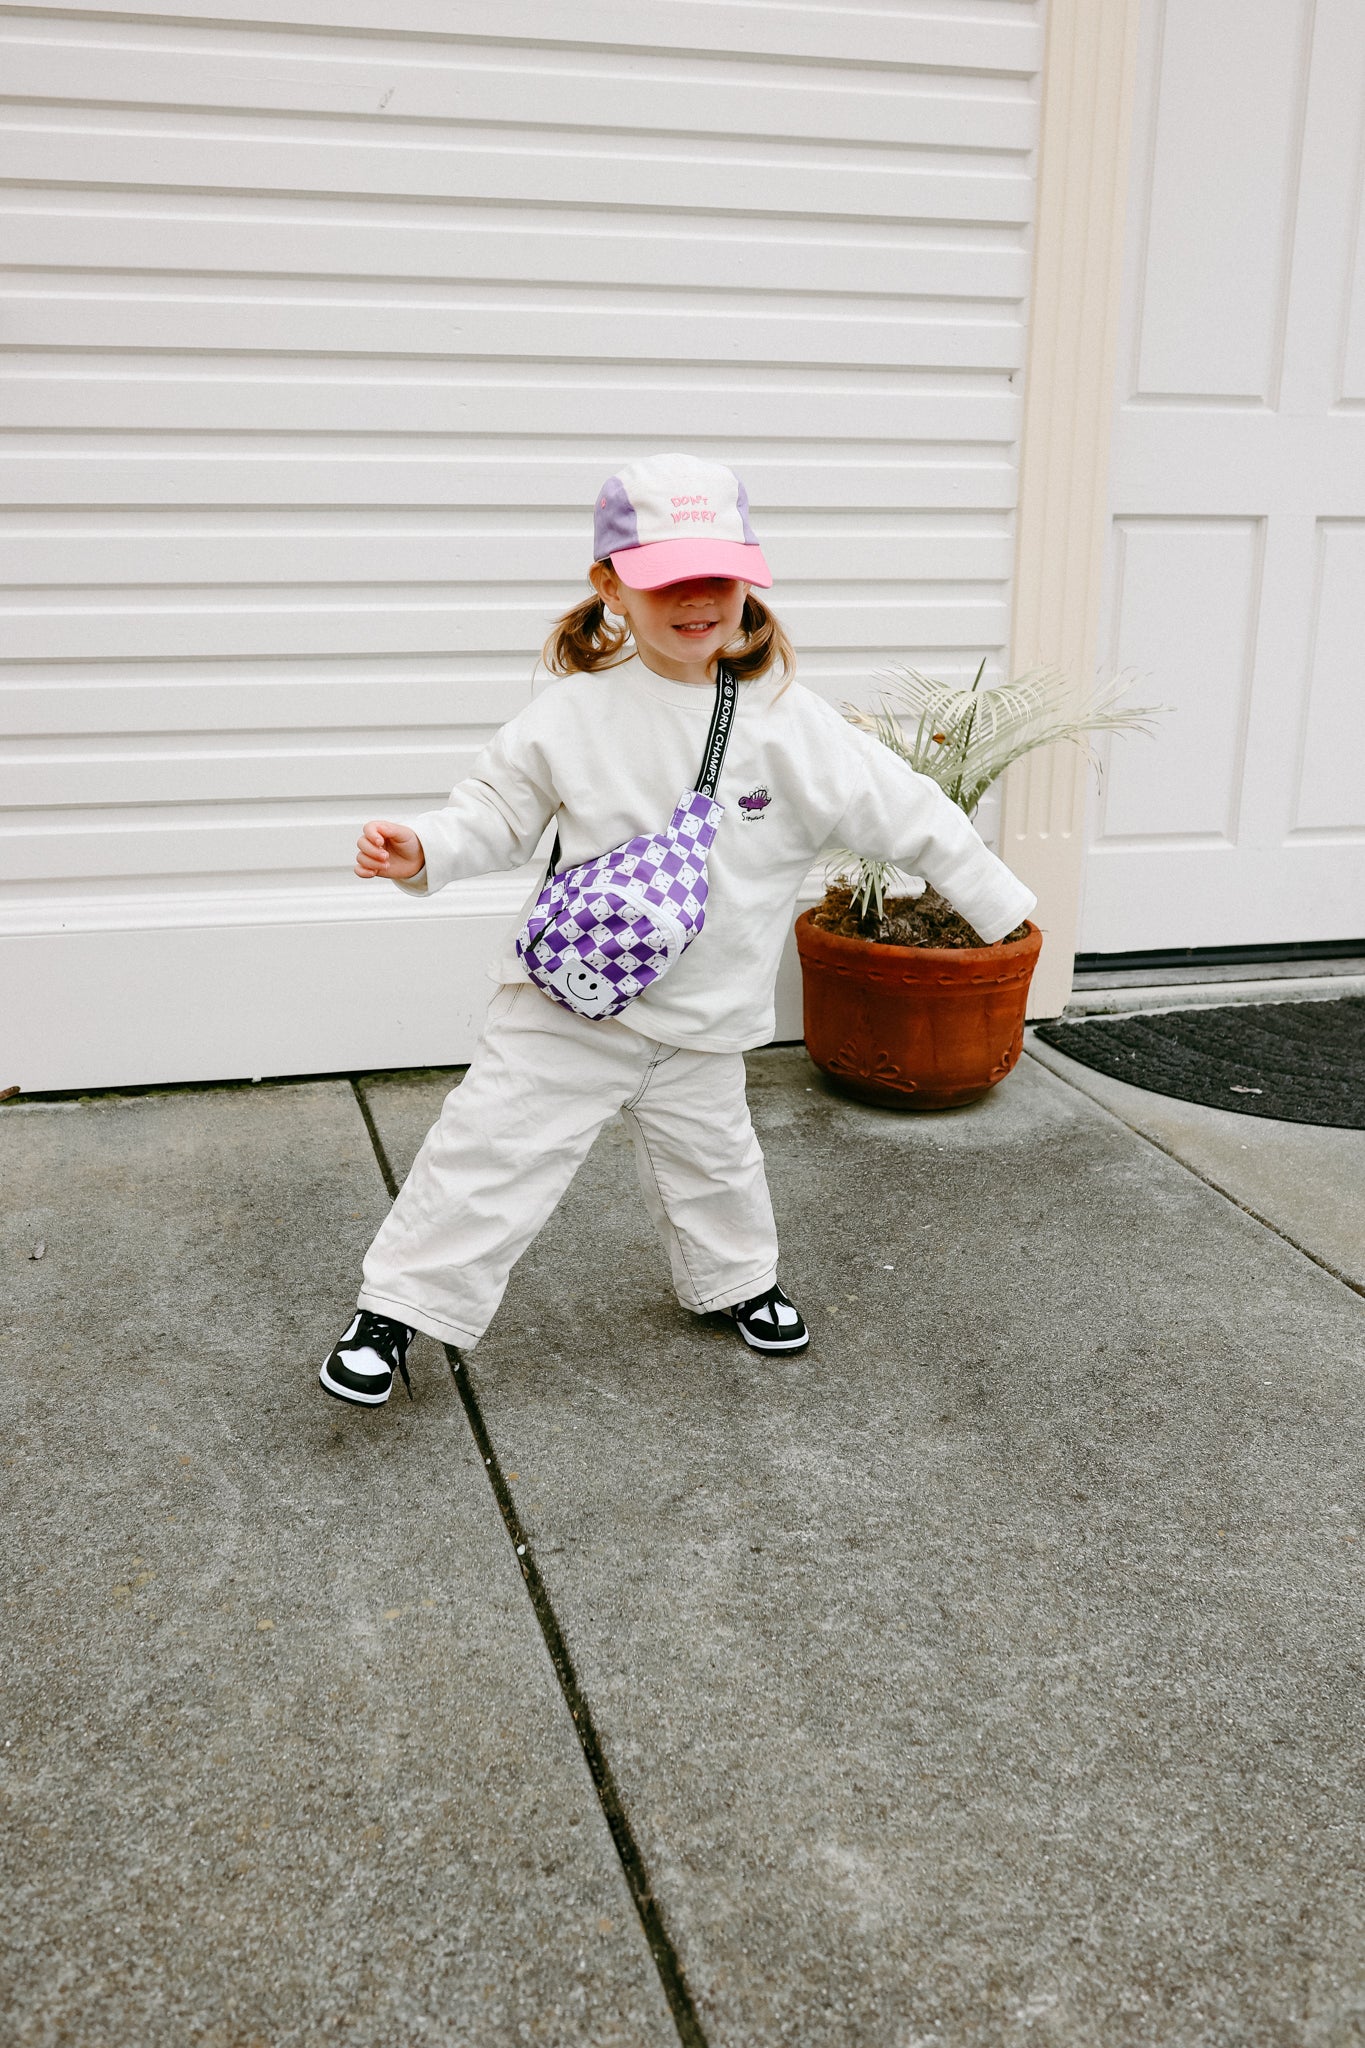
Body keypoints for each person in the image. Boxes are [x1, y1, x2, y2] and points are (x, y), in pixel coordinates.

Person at [320, 453, 1036, 1406]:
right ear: (610, 585)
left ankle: (735, 1282)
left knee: (714, 1161)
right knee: (488, 1154)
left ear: (748, 579)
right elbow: (495, 809)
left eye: (720, 576)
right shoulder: (571, 714)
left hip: (705, 1012)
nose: (697, 598)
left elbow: (902, 807)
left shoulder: (790, 723)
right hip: (571, 1006)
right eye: (666, 578)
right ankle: (395, 1313)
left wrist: (994, 899)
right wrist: (424, 851)